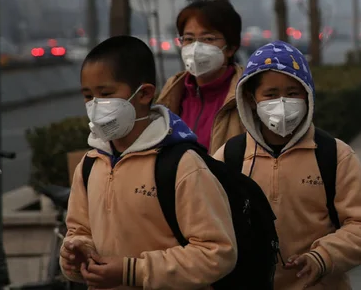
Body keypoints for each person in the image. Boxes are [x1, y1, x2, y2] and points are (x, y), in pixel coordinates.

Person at [61, 36, 238, 288]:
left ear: (144, 94)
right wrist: (74, 256)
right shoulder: (90, 165)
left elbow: (217, 253)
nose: (95, 106)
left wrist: (134, 271)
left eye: (106, 93)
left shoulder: (182, 165)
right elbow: (78, 233)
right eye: (88, 96)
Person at [214, 41, 361, 290]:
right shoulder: (230, 157)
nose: (282, 103)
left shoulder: (334, 155)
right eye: (271, 94)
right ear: (251, 99)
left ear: (307, 95)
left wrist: (323, 257)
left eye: (292, 93)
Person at [157, 0, 245, 152]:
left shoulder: (245, 95)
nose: (196, 48)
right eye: (189, 39)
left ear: (231, 48)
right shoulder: (174, 91)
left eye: (208, 39)